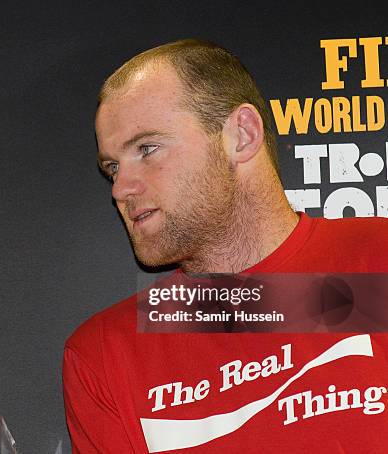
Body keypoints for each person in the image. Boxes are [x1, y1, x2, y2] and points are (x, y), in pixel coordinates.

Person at [63, 39, 388, 453]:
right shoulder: (106, 353)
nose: (121, 189)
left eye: (147, 149)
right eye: (112, 167)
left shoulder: (377, 259)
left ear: (242, 135)